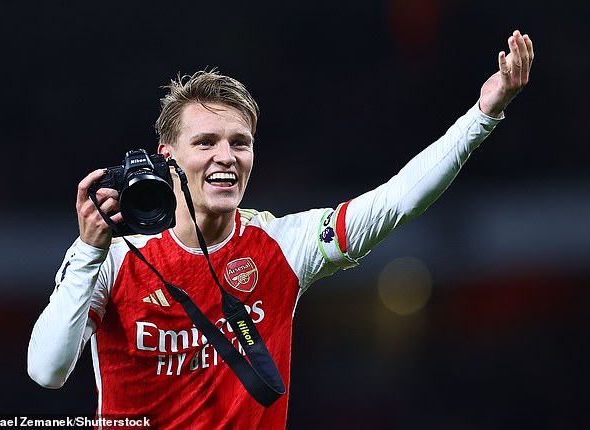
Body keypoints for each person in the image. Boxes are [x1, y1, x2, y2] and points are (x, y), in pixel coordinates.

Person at [28, 30, 534, 429]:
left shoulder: (283, 246)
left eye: (239, 143)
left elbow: (397, 201)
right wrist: (89, 252)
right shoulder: (116, 257)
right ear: (169, 158)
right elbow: (47, 372)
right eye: (205, 142)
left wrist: (484, 115)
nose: (226, 157)